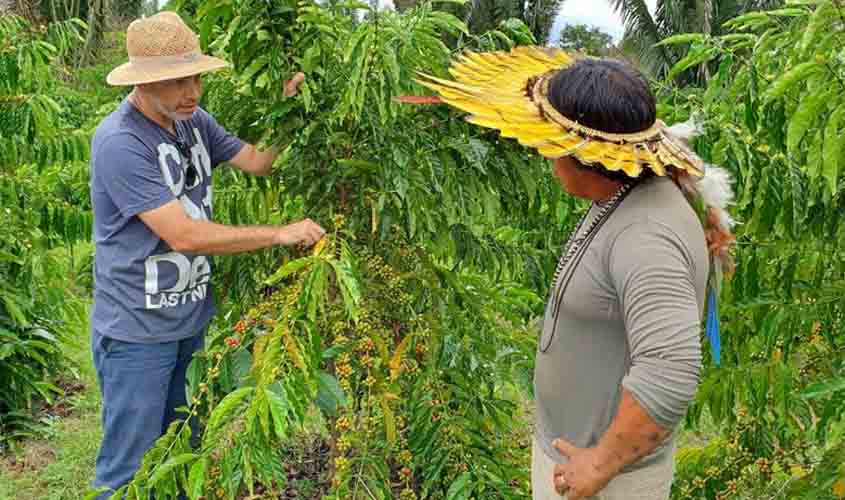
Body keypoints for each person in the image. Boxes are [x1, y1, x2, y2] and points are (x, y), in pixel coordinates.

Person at [405, 48, 736, 499]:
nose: (545, 154)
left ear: (581, 153)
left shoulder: (646, 236)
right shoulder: (624, 195)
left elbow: (671, 372)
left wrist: (599, 464)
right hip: (580, 462)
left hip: (608, 482)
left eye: (550, 143)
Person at [89, 11, 324, 498]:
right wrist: (280, 234)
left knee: (181, 448)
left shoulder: (193, 122)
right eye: (176, 81)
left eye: (195, 76)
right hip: (136, 329)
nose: (191, 90)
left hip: (188, 320)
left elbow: (258, 162)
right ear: (145, 83)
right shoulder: (120, 142)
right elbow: (185, 237)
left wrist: (288, 109)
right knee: (127, 469)